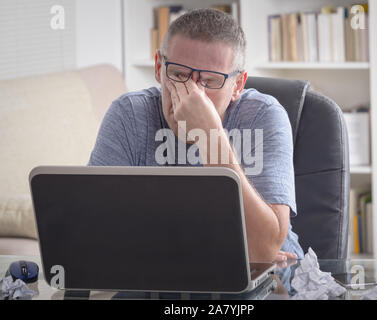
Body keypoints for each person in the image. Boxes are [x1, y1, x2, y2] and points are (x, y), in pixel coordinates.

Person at [88, 8, 304, 262]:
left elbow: (263, 251)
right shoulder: (129, 115)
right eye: (179, 75)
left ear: (237, 85)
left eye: (210, 81)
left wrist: (210, 135)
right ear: (159, 67)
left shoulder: (264, 115)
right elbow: (95, 232)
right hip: (163, 277)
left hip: (272, 284)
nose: (192, 95)